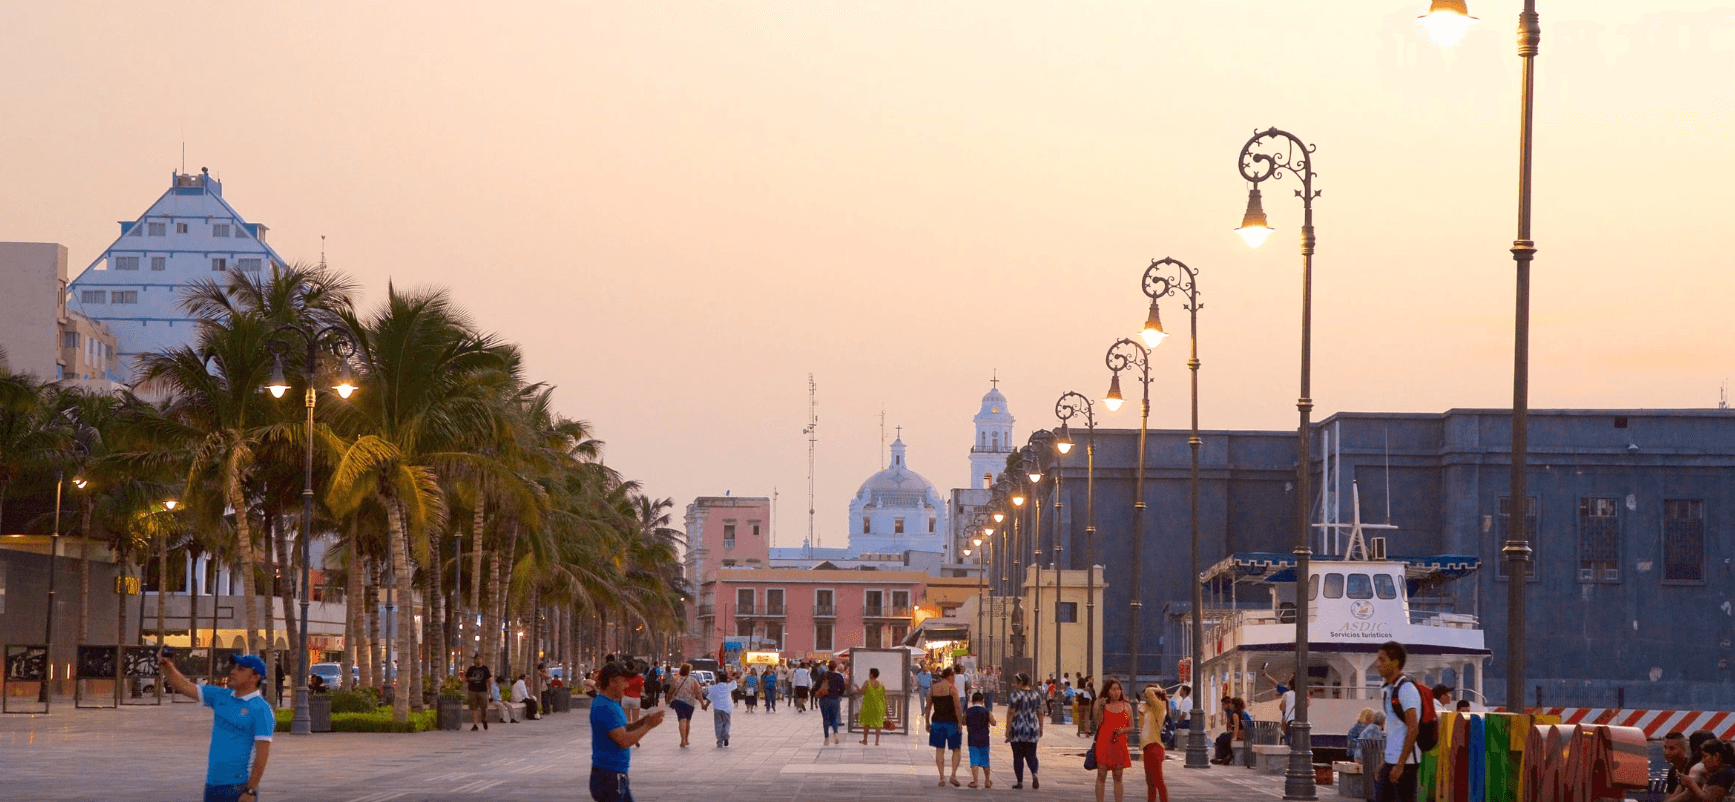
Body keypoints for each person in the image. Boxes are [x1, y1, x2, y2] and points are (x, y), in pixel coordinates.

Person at [158, 653, 274, 802]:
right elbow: (183, 685)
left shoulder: (262, 710)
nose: (233, 671)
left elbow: (262, 755)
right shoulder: (221, 696)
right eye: (234, 667)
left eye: (240, 669)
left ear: (255, 677)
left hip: (238, 787)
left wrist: (250, 791)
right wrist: (166, 664)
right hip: (212, 785)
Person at [591, 660, 665, 802]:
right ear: (612, 682)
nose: (627, 685)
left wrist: (641, 722)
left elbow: (620, 728)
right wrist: (648, 726)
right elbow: (623, 740)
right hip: (609, 777)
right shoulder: (605, 707)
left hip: (614, 775)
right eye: (624, 681)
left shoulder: (610, 704)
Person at [1376, 641, 1423, 802]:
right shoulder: (1389, 689)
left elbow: (1413, 728)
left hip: (1406, 764)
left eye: (1382, 660)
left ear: (1395, 663)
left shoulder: (1406, 689)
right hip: (1392, 761)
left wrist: (1401, 764)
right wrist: (1385, 763)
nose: (1377, 664)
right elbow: (1395, 730)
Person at [1093, 678, 1134, 802]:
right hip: (1103, 742)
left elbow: (1131, 727)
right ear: (1108, 691)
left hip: (1119, 743)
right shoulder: (1101, 704)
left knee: (1118, 776)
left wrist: (1122, 730)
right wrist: (1099, 707)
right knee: (1101, 774)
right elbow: (1097, 723)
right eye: (1113, 690)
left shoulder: (1126, 706)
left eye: (1118, 689)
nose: (1116, 692)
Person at [925, 666, 964, 787]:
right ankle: (953, 774)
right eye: (954, 676)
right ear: (950, 676)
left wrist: (927, 721)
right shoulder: (952, 689)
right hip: (951, 723)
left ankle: (942, 777)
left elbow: (928, 707)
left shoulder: (933, 688)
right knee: (956, 749)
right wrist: (960, 722)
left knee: (939, 750)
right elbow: (958, 707)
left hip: (937, 723)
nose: (954, 679)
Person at [1007, 672, 1044, 789]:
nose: (1015, 684)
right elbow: (1041, 712)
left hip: (1018, 728)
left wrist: (1007, 728)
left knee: (1018, 755)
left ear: (1021, 682)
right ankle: (1034, 774)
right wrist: (1041, 728)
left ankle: (1020, 782)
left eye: (1016, 681)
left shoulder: (1015, 695)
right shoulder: (1036, 695)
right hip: (1032, 728)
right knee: (1032, 754)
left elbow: (1011, 712)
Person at [1141, 685, 1170, 802]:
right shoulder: (1150, 709)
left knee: (1158, 780)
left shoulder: (1160, 707)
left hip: (1155, 746)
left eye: (1148, 696)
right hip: (1147, 747)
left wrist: (1159, 690)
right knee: (1150, 781)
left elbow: (1148, 691)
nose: (1146, 697)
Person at [965, 691, 997, 788]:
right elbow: (994, 723)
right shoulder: (987, 711)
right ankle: (987, 781)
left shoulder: (968, 711)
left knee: (974, 760)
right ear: (982, 701)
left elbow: (963, 721)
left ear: (972, 701)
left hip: (972, 738)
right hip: (984, 739)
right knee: (985, 760)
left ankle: (975, 781)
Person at [666, 663, 703, 748]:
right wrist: (702, 703)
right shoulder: (693, 680)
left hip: (678, 702)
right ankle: (686, 739)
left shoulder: (676, 679)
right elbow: (698, 692)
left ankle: (682, 740)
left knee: (682, 720)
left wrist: (668, 699)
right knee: (688, 721)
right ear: (688, 671)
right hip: (690, 703)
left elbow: (671, 691)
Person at [705, 668, 738, 747]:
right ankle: (726, 735)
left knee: (718, 724)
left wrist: (705, 706)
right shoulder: (728, 686)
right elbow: (734, 682)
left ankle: (719, 741)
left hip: (717, 708)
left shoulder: (714, 688)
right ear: (726, 679)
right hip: (727, 708)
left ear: (718, 679)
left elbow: (710, 698)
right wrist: (731, 678)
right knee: (727, 723)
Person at [818, 661, 847, 745]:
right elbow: (842, 689)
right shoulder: (839, 676)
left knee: (825, 719)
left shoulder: (823, 675)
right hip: (835, 699)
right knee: (834, 718)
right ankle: (836, 733)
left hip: (824, 699)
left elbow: (816, 686)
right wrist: (838, 694)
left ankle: (826, 738)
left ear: (828, 666)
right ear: (835, 667)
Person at [1264, 668, 1297, 742]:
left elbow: (1282, 708)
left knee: (1289, 741)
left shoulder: (1286, 692)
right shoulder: (1303, 694)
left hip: (1289, 721)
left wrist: (1265, 674)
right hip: (1300, 721)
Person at [857, 666, 887, 745]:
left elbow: (862, 691)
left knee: (867, 723)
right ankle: (877, 741)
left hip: (868, 706)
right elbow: (885, 695)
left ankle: (865, 740)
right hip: (879, 706)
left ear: (871, 674)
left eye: (869, 673)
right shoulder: (881, 683)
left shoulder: (867, 682)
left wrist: (857, 687)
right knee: (878, 724)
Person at [464, 652, 493, 732]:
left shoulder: (485, 669)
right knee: (474, 709)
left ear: (482, 660)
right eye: (476, 659)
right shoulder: (471, 669)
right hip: (472, 691)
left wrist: (490, 689)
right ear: (474, 660)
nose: (478, 660)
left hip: (483, 691)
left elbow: (489, 679)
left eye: (480, 659)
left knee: (484, 708)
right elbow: (466, 679)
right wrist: (470, 679)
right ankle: (475, 725)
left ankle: (484, 720)